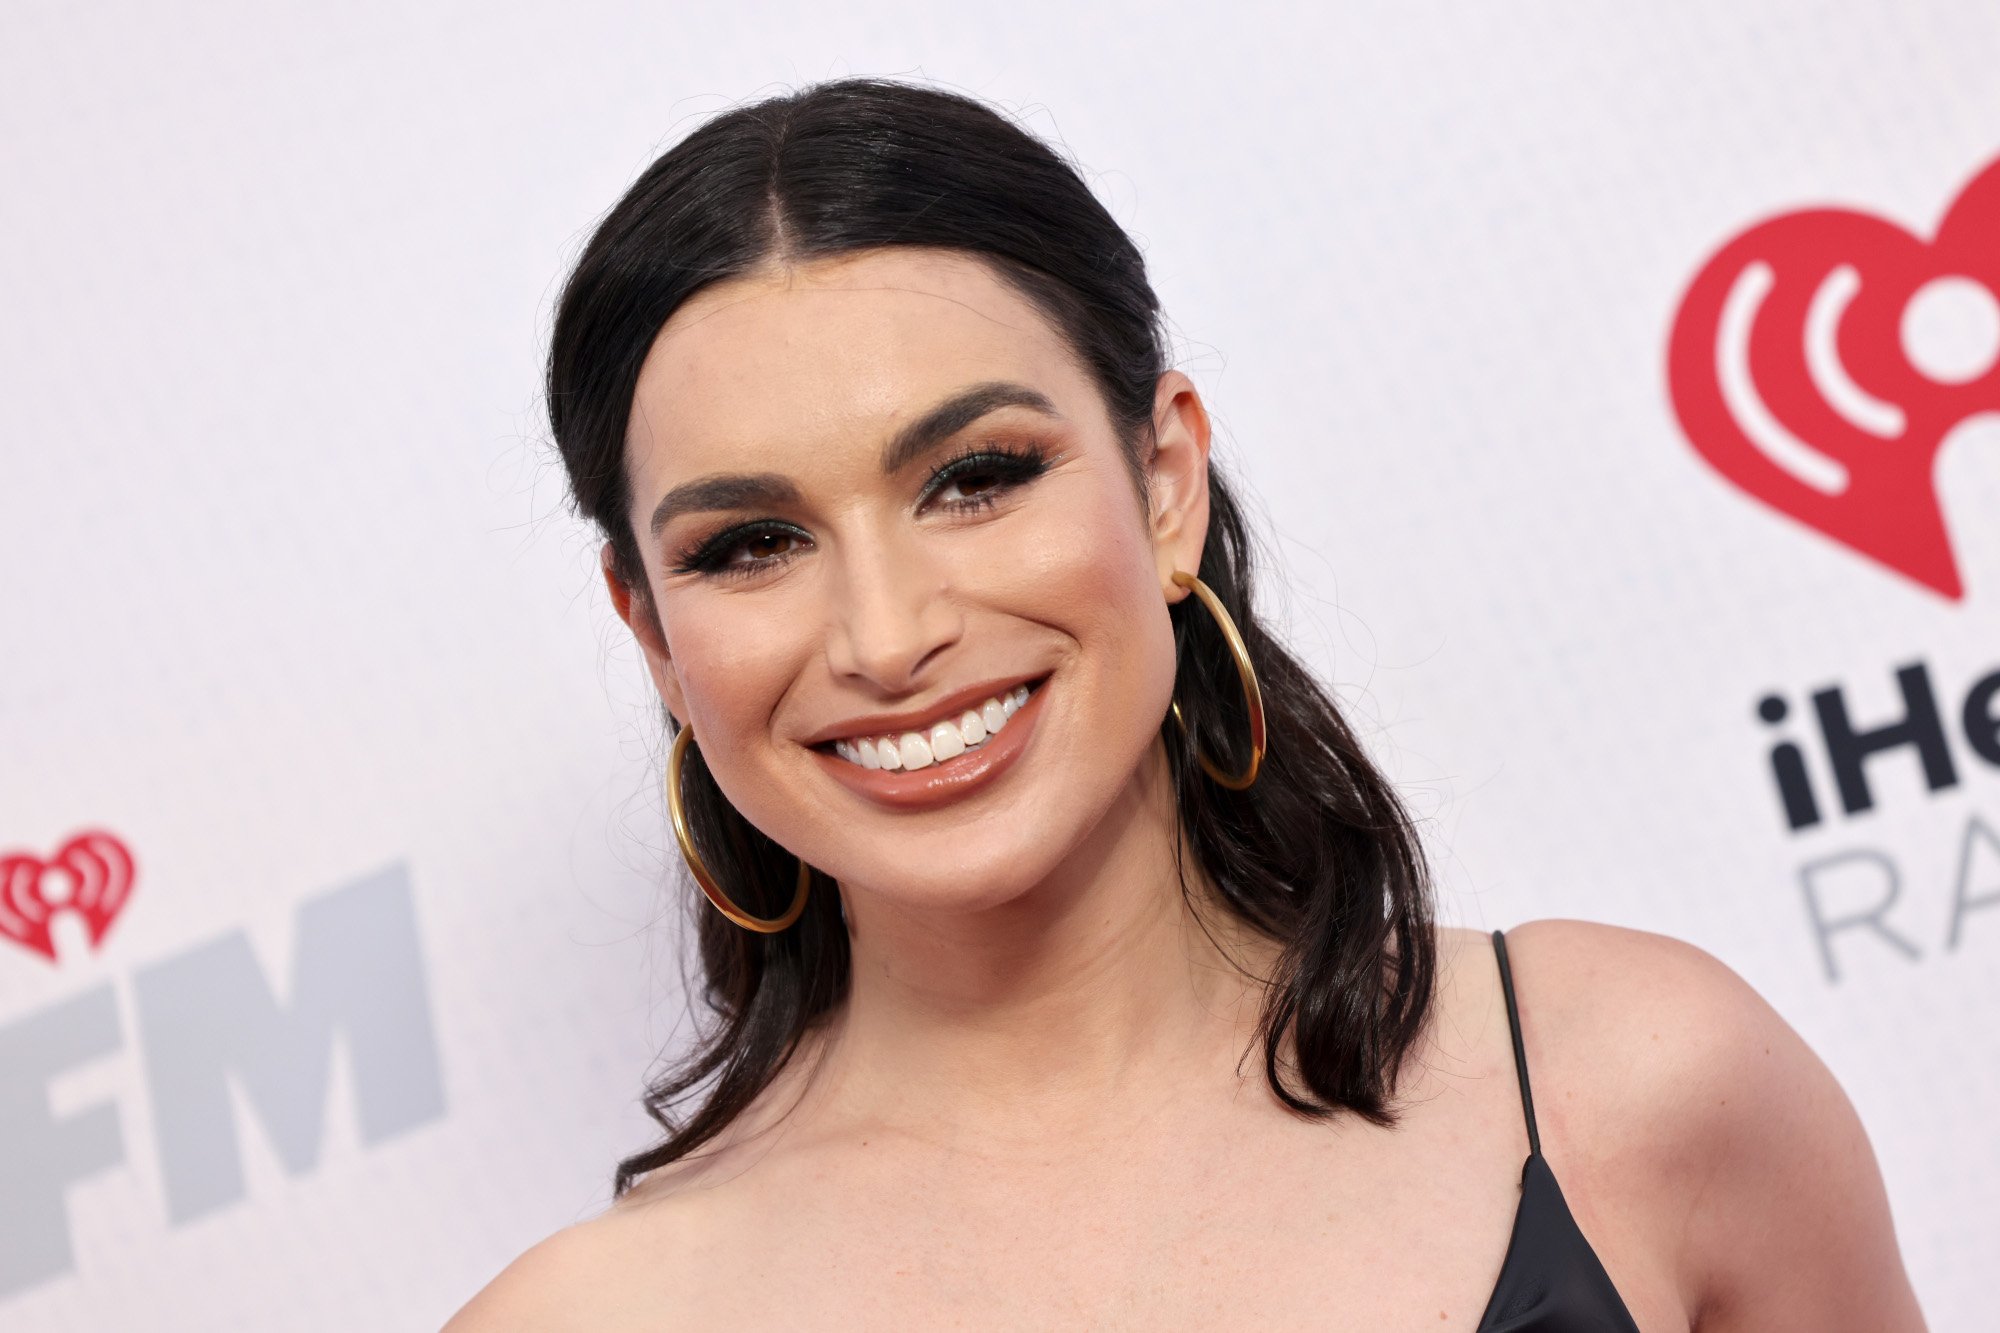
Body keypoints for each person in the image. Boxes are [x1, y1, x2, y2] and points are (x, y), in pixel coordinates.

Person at [449, 78, 1923, 1330]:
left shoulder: (1641, 1080)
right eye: (751, 545)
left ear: (1163, 483)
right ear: (650, 627)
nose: (887, 637)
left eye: (976, 477)